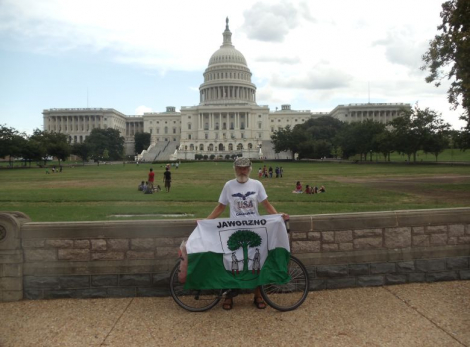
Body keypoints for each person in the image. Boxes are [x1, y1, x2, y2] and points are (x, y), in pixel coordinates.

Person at [207, 157, 289, 311]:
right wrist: (206, 221)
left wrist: (278, 216)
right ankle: (229, 296)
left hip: (255, 229)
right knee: (232, 262)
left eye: (245, 168)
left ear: (250, 169)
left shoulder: (257, 184)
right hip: (235, 230)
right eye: (239, 168)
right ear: (235, 169)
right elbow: (220, 207)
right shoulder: (229, 185)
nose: (242, 171)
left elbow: (266, 205)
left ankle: (258, 295)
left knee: (258, 263)